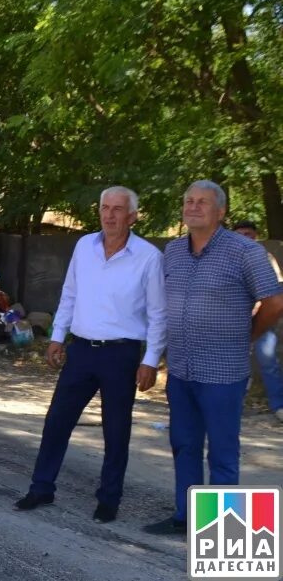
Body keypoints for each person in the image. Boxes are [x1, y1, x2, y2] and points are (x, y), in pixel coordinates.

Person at [13, 187, 166, 524]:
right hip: (81, 350)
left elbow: (158, 313)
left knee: (116, 430)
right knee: (56, 422)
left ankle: (109, 499)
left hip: (122, 355)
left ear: (133, 216)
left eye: (117, 209)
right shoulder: (85, 247)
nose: (109, 215)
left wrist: (150, 359)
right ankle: (42, 487)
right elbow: (69, 294)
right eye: (104, 208)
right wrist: (56, 338)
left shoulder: (148, 257)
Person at [144, 180, 283, 535]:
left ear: (220, 212)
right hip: (182, 369)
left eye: (202, 202)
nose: (192, 207)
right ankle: (185, 517)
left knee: (221, 452)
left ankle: (221, 531)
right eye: (188, 201)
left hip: (223, 371)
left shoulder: (244, 252)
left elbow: (275, 302)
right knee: (184, 445)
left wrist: (248, 334)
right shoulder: (172, 251)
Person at [231, 220, 283, 423]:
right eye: (240, 234)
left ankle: (278, 405)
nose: (245, 238)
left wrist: (261, 311)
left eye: (249, 234)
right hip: (232, 321)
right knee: (232, 365)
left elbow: (276, 290)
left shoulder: (264, 257)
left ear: (256, 236)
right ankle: (235, 404)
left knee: (268, 361)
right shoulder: (225, 256)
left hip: (261, 320)